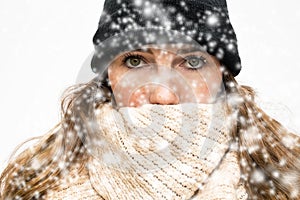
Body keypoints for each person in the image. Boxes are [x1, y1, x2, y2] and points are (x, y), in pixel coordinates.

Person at [1, 0, 300, 199]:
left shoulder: (288, 184)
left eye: (192, 63)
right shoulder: (34, 190)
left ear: (222, 76)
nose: (163, 95)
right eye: (135, 62)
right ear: (108, 77)